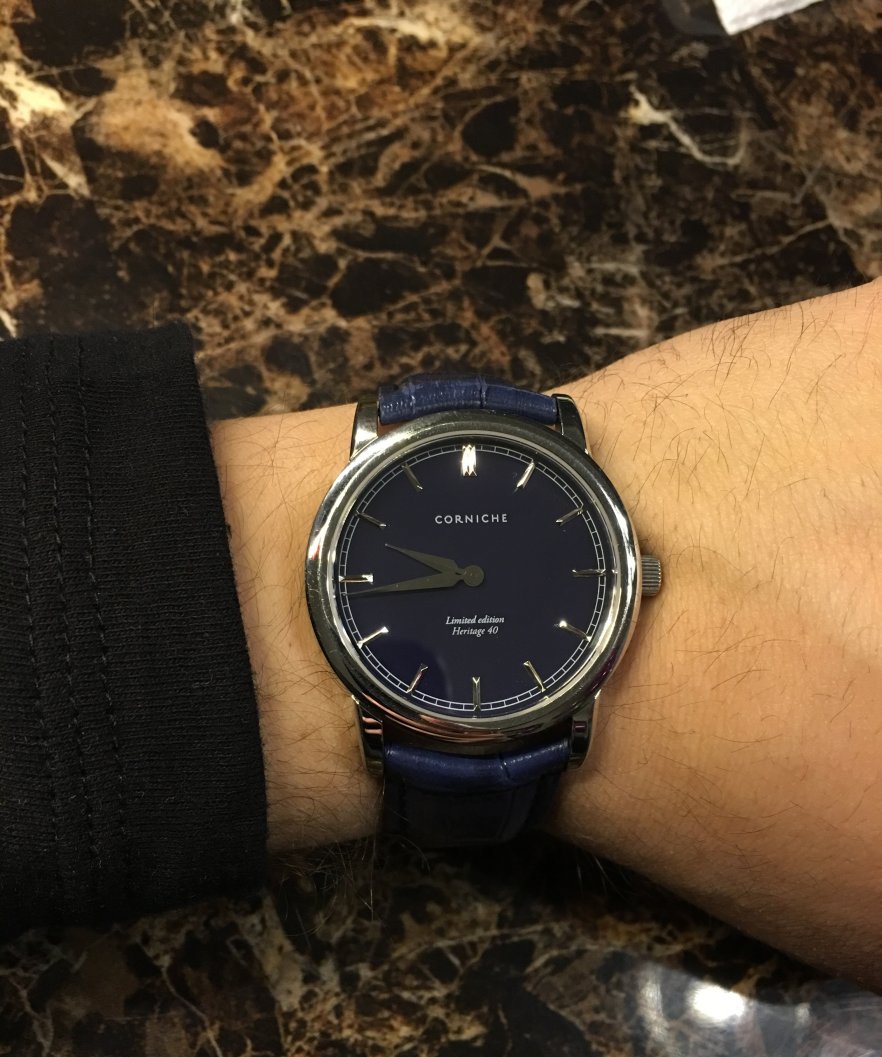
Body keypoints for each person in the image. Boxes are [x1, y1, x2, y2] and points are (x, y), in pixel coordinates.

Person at [2, 280, 880, 990]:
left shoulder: (576, 699)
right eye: (457, 575)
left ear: (634, 574)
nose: (469, 580)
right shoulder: (377, 670)